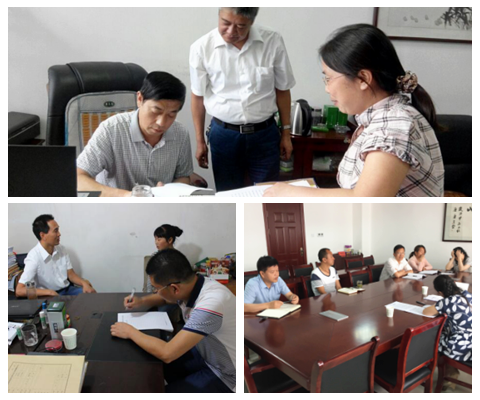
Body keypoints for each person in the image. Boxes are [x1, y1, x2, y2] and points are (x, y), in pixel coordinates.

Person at [264, 23, 444, 197]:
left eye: (329, 78)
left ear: (363, 79)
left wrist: (290, 192)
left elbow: (365, 200)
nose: (327, 88)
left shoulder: (392, 127)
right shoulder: (382, 117)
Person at [190, 7, 296, 191]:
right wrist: (199, 141)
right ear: (219, 15)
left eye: (240, 26)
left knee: (267, 192)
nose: (231, 31)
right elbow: (197, 97)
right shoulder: (202, 48)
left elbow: (282, 89)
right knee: (228, 193)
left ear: (251, 22)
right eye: (225, 23)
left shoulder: (272, 41)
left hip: (265, 134)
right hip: (224, 135)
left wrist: (286, 134)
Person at [111, 249, 235, 393]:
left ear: (175, 288)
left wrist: (130, 332)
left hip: (227, 375)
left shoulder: (211, 304)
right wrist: (142, 301)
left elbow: (167, 353)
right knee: (152, 365)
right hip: (205, 353)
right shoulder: (194, 283)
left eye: (156, 288)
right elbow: (166, 298)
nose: (155, 292)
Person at [77, 71, 193, 197]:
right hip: (116, 204)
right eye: (156, 111)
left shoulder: (180, 133)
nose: (161, 122)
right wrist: (128, 196)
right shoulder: (111, 130)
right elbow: (78, 178)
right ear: (139, 99)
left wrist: (169, 191)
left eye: (171, 114)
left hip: (160, 205)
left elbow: (183, 177)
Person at [16, 215, 96, 297]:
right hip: (48, 295)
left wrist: (84, 283)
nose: (59, 234)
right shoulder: (33, 257)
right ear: (43, 235)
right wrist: (49, 292)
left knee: (91, 295)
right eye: (55, 231)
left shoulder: (61, 249)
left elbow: (71, 274)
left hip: (68, 290)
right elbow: (19, 290)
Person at [423, 275, 472, 388]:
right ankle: (451, 372)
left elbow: (426, 312)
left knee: (433, 340)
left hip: (463, 346)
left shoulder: (447, 301)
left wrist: (437, 304)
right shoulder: (468, 294)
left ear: (440, 292)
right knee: (444, 334)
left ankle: (449, 373)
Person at [146, 224, 184, 293]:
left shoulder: (179, 258)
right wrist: (149, 293)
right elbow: (149, 281)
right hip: (155, 293)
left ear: (170, 240)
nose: (156, 242)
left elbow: (181, 281)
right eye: (155, 239)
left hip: (173, 294)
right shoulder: (154, 257)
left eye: (159, 239)